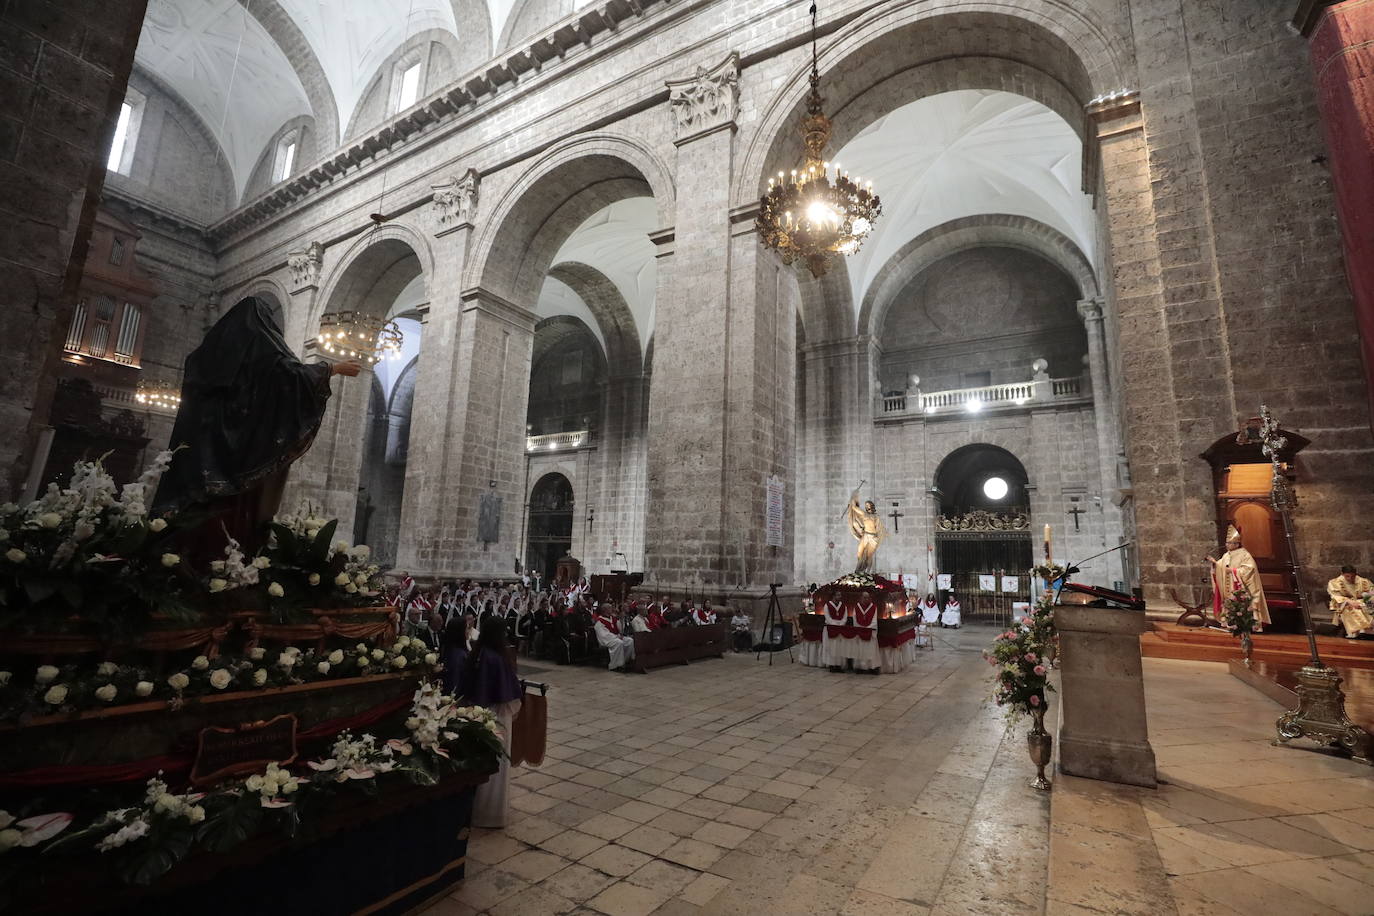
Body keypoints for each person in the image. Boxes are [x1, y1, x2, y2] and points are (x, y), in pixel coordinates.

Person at [154, 297, 360, 556]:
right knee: (233, 525)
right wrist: (332, 368)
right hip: (239, 461)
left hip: (199, 461)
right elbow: (288, 376)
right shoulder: (261, 351)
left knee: (195, 526)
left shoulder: (206, 358)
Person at [446, 615, 522, 828]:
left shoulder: (477, 653)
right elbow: (510, 697)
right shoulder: (497, 658)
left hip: (479, 713)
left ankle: (476, 810)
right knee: (497, 767)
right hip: (498, 715)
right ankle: (490, 815)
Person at [1206, 525, 1270, 632]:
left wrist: (1233, 571)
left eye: (1229, 543)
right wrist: (1214, 564)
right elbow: (1221, 567)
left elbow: (1250, 569)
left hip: (1239, 586)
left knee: (1241, 603)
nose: (1227, 545)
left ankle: (1247, 625)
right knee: (1229, 603)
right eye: (1227, 543)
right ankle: (1231, 624)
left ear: (1236, 544)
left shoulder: (1245, 555)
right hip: (1229, 587)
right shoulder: (1226, 555)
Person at [1328, 565, 1374, 639]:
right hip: (1344, 603)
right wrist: (1350, 602)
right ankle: (1355, 632)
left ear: (1355, 574)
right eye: (1347, 576)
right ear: (1342, 574)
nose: (1350, 578)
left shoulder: (1363, 581)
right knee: (1351, 609)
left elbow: (1371, 592)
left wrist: (1365, 599)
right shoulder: (1334, 583)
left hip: (1361, 602)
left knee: (1368, 608)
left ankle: (1367, 632)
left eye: (1352, 576)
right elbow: (1335, 596)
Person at [593, 603, 636, 671]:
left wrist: (621, 620)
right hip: (607, 640)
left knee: (629, 641)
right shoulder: (599, 621)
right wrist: (617, 637)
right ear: (605, 610)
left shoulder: (613, 618)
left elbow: (621, 629)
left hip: (616, 637)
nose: (612, 609)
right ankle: (616, 665)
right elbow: (604, 635)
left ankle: (625, 661)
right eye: (610, 608)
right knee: (618, 643)